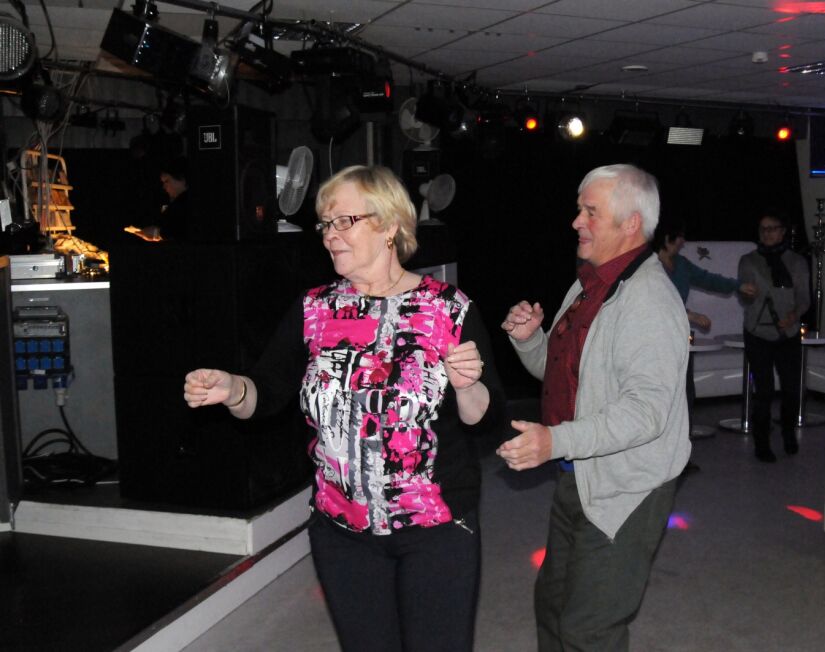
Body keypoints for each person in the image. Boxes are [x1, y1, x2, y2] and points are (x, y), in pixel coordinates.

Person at [183, 165, 505, 651]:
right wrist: (233, 389)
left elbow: (489, 418)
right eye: (325, 225)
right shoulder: (315, 309)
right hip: (341, 531)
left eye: (343, 222)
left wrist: (466, 387)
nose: (329, 236)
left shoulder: (449, 309)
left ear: (390, 224)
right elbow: (266, 395)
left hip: (436, 528)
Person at [498, 164, 690, 651]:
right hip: (580, 473)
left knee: (589, 628)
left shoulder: (648, 299)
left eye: (590, 212)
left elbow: (647, 413)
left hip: (628, 487)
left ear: (630, 224)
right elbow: (571, 379)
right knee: (554, 605)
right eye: (579, 209)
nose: (576, 221)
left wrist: (555, 440)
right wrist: (530, 341)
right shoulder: (591, 285)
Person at [654, 217, 756, 470]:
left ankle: (680, 456)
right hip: (653, 342)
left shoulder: (681, 264)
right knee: (658, 398)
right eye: (680, 237)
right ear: (668, 238)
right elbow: (657, 302)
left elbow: (709, 279)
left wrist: (737, 285)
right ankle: (655, 457)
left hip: (678, 341)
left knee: (685, 395)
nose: (683, 242)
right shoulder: (649, 266)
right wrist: (691, 315)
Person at [738, 213, 811, 462]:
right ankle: (762, 442)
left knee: (791, 389)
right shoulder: (748, 261)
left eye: (772, 229)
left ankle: (789, 432)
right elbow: (744, 295)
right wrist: (747, 294)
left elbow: (804, 297)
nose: (767, 233)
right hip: (758, 332)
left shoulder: (797, 262)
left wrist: (793, 315)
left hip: (788, 333)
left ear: (782, 232)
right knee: (764, 390)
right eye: (763, 229)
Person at [127, 156, 189, 241]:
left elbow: (181, 232)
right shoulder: (176, 203)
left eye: (167, 181)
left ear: (182, 179)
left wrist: (157, 233)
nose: (164, 187)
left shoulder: (186, 204)